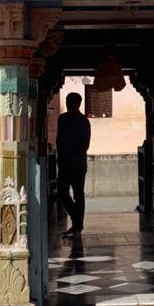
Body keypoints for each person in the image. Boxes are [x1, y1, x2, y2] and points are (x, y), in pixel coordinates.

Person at [56, 92, 91, 238]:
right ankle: (77, 220)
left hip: (77, 164)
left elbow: (85, 144)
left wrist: (71, 156)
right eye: (68, 101)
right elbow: (59, 139)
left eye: (73, 101)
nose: (70, 104)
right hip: (64, 163)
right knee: (62, 193)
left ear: (78, 103)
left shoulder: (83, 121)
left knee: (78, 194)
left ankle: (77, 225)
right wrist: (61, 156)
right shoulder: (62, 119)